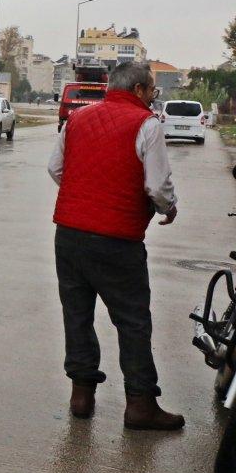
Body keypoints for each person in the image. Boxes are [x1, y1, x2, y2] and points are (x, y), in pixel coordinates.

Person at [48, 61, 183, 430]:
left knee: (77, 315)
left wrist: (84, 196)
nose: (153, 97)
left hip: (70, 235)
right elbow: (157, 186)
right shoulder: (147, 124)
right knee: (133, 321)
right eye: (152, 91)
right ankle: (140, 404)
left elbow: (55, 168)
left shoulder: (77, 119)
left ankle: (81, 396)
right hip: (117, 241)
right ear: (139, 89)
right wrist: (168, 208)